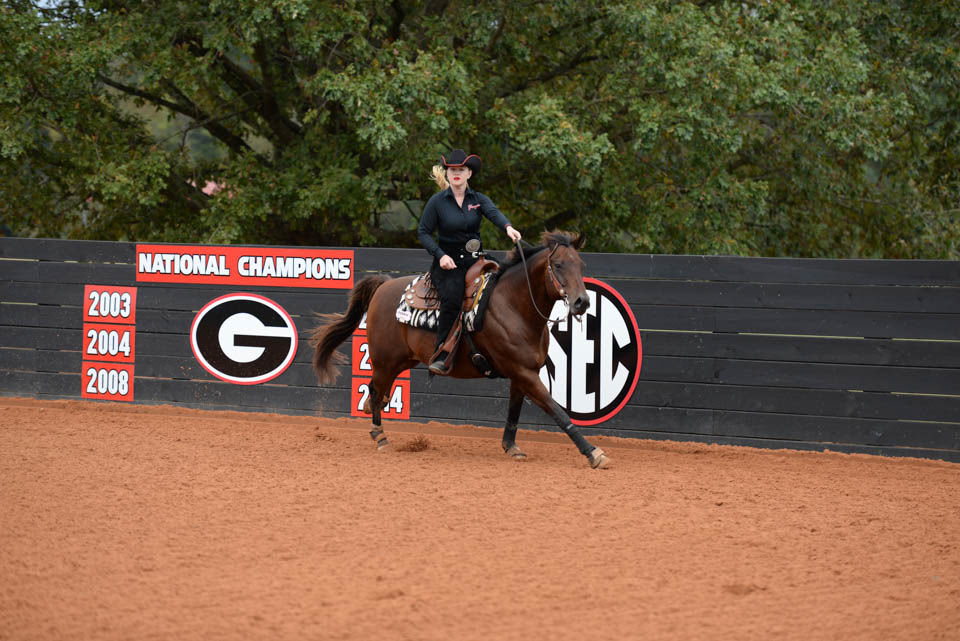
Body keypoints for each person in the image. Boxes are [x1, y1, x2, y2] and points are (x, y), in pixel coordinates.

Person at [417, 149, 522, 375]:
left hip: (476, 259)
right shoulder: (437, 202)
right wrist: (440, 255)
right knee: (453, 299)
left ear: (469, 174)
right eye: (452, 170)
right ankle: (442, 352)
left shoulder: (478, 199)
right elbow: (423, 232)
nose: (456, 173)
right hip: (448, 263)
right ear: (447, 173)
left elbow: (494, 213)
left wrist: (508, 227)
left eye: (461, 170)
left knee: (502, 284)